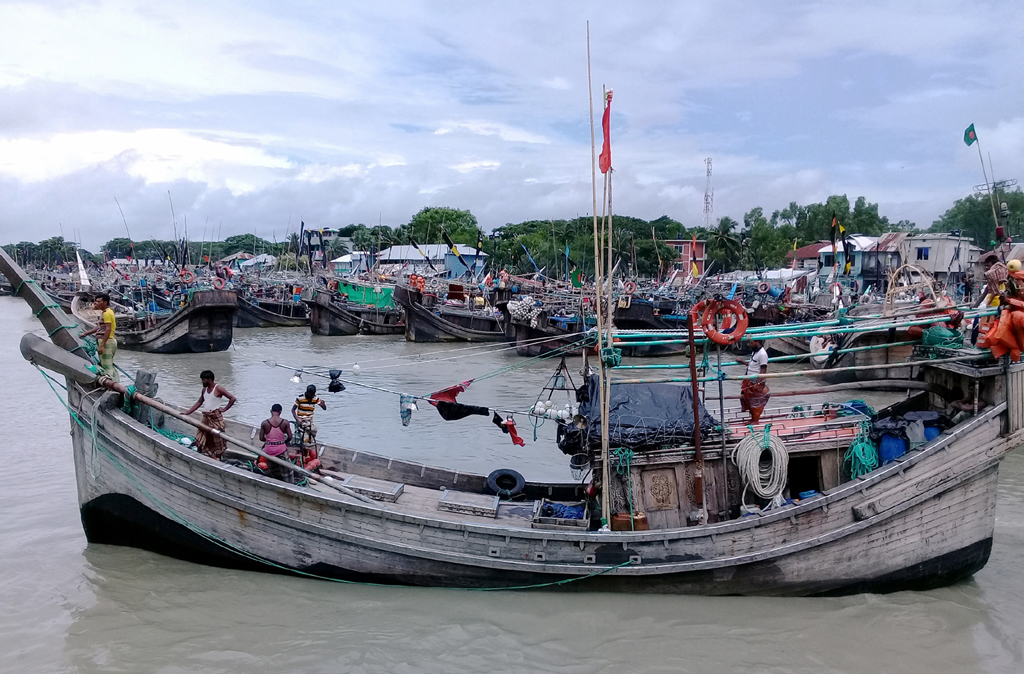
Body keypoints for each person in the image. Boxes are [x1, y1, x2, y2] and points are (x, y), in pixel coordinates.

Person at [184, 370, 236, 459]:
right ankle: (209, 455)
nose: (202, 382)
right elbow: (200, 402)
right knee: (202, 438)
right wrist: (188, 412)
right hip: (206, 417)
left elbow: (232, 398)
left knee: (218, 439)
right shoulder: (204, 389)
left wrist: (224, 409)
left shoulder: (218, 389)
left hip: (215, 417)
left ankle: (217, 457)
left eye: (204, 380)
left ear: (210, 379)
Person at [80, 293, 118, 382]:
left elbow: (108, 329)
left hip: (107, 341)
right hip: (108, 341)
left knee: (106, 366)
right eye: (95, 301)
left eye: (98, 301)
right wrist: (86, 333)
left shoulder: (106, 314)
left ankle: (112, 385)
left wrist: (102, 345)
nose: (96, 303)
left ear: (105, 302)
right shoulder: (108, 312)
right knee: (108, 364)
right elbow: (99, 327)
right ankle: (114, 382)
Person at [739, 339, 771, 424]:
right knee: (746, 398)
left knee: (755, 401)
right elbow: (752, 364)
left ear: (757, 342)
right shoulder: (754, 352)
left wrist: (759, 382)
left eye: (752, 343)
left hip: (756, 380)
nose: (750, 345)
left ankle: (755, 420)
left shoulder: (762, 354)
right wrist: (741, 361)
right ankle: (752, 418)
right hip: (749, 378)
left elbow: (763, 369)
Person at [259, 404, 293, 480]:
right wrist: (284, 442)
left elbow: (261, 438)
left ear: (271, 411)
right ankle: (289, 484)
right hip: (281, 450)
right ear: (280, 412)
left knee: (273, 471)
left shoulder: (264, 423)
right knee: (288, 471)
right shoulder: (285, 422)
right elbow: (290, 437)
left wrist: (269, 441)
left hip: (269, 451)